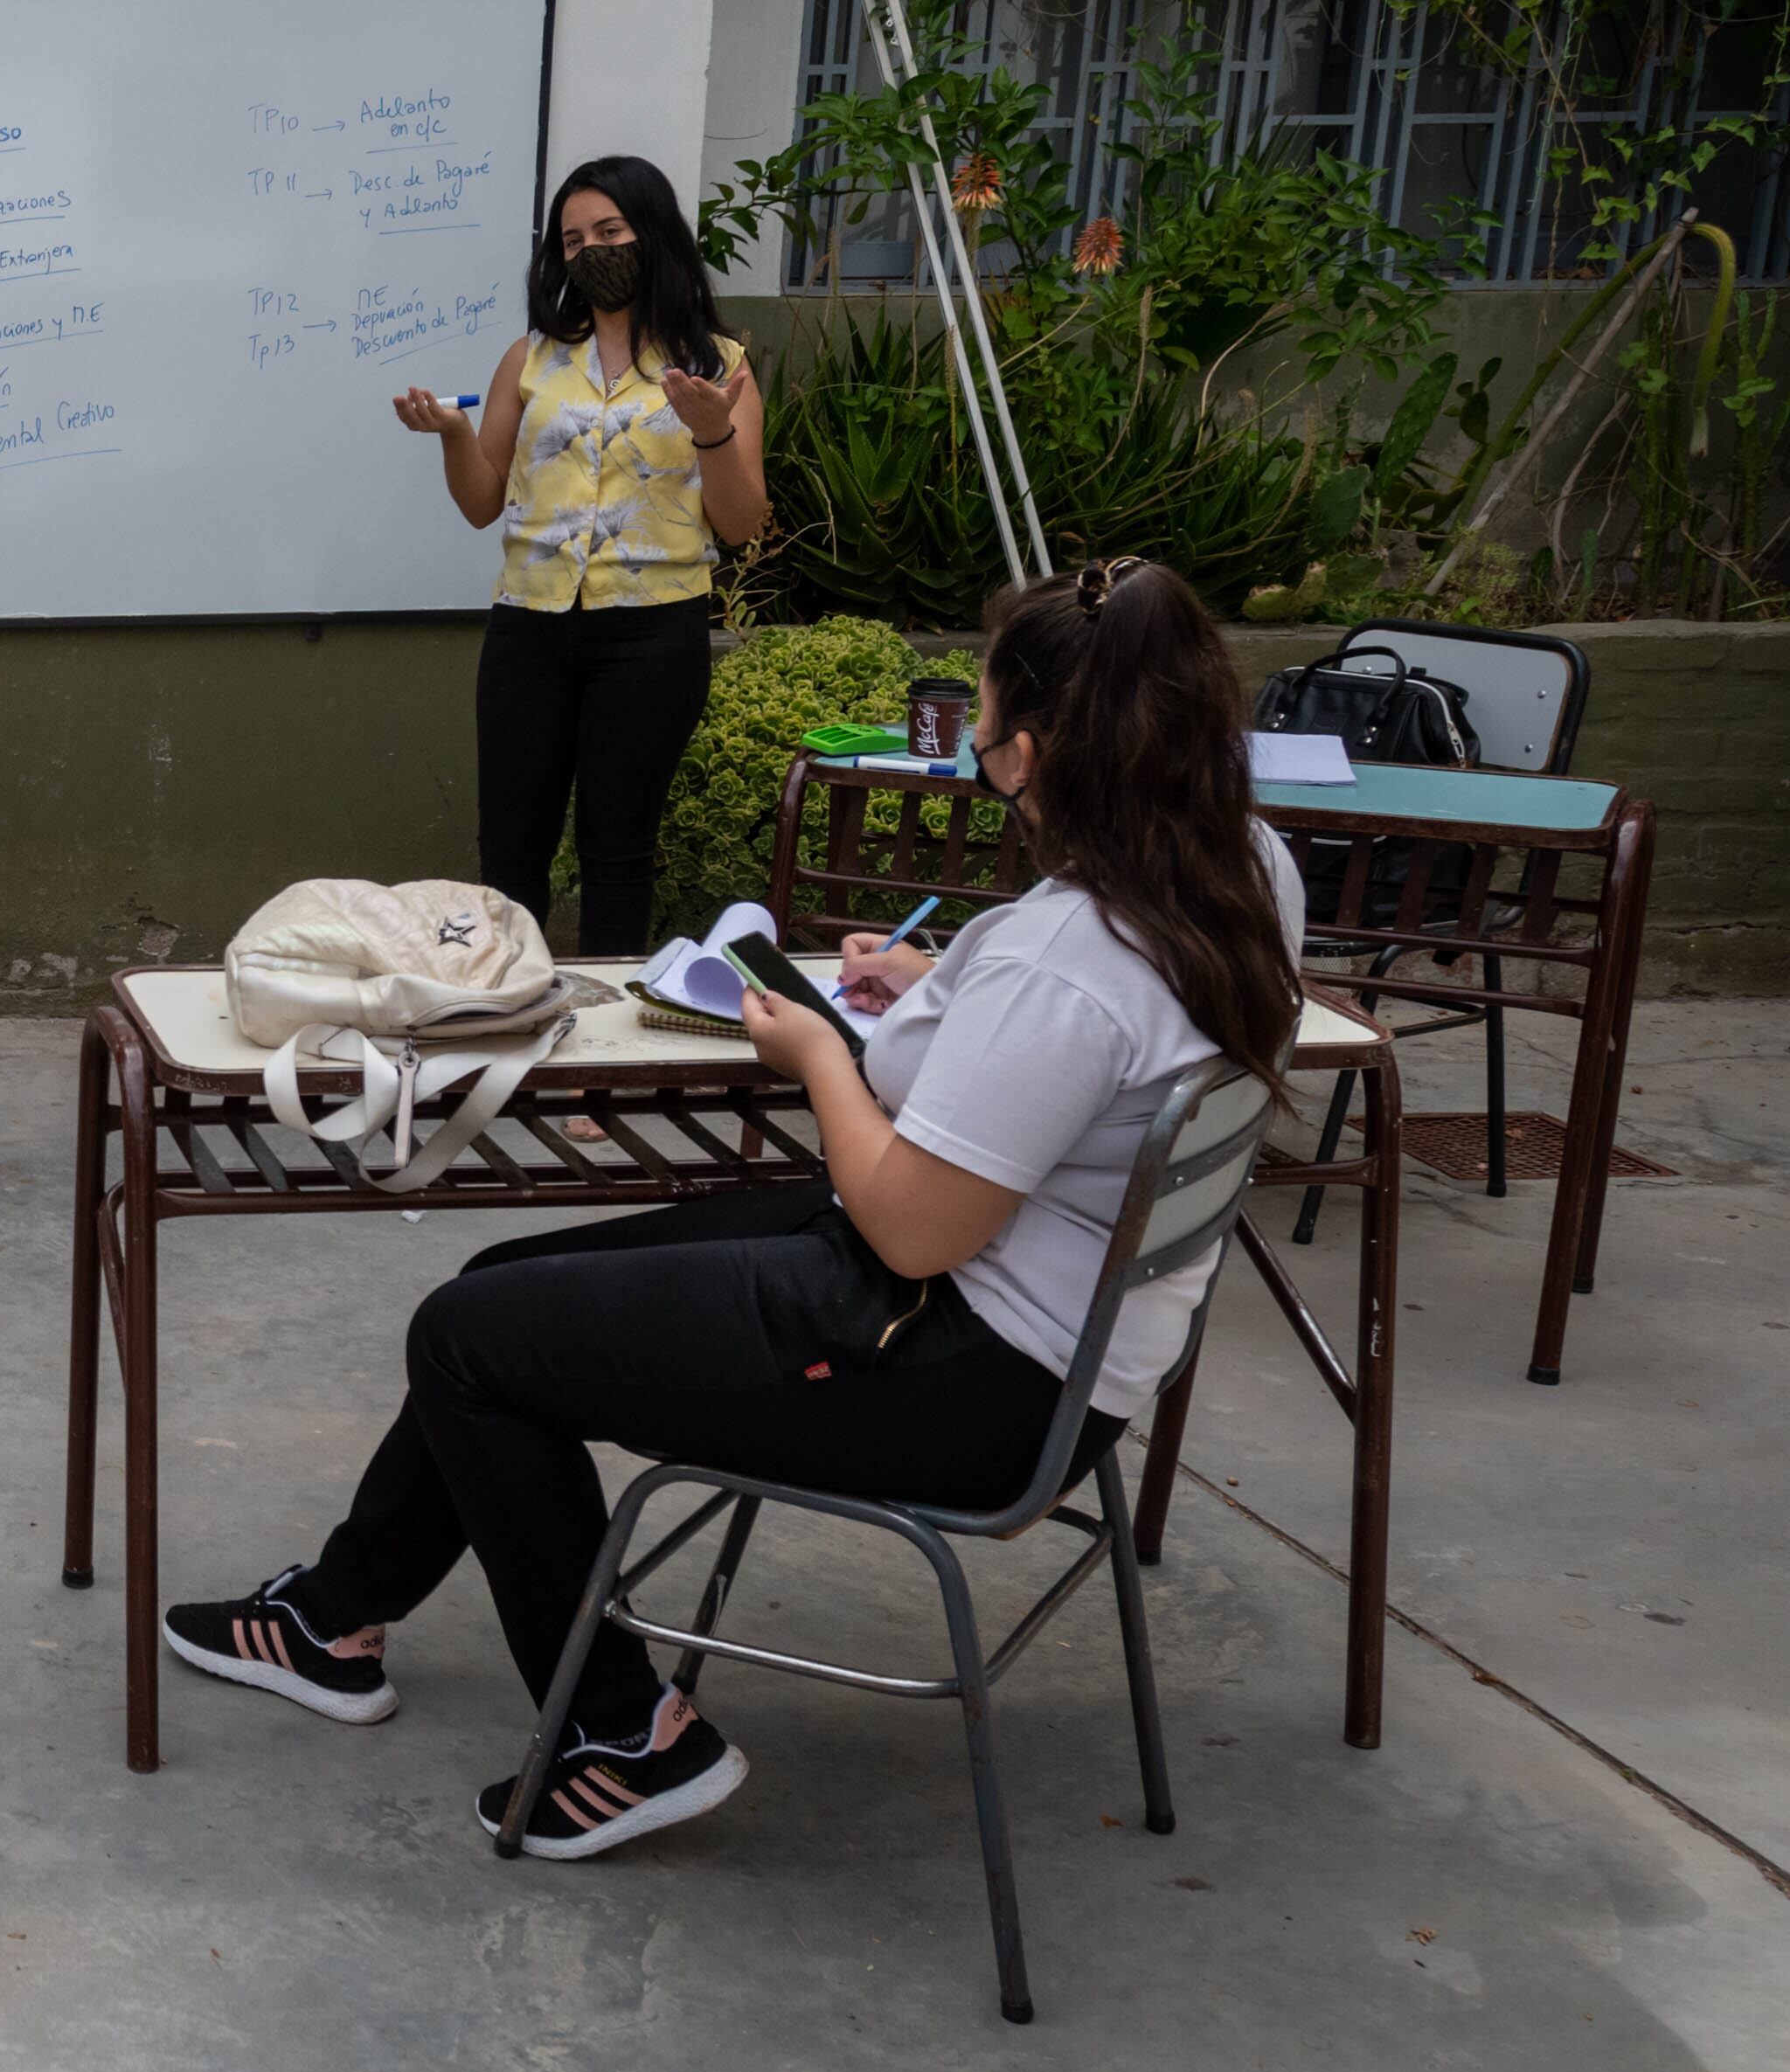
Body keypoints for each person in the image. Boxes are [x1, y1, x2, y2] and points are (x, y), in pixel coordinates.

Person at [162, 558, 1301, 1857]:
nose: (977, 756)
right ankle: (333, 1614)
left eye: (979, 735)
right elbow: (1073, 1049)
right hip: (1045, 1352)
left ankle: (623, 1735)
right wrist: (950, 980)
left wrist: (820, 1059)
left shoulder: (1068, 967)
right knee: (499, 1286)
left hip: (960, 1368)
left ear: (1033, 756)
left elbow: (915, 1228)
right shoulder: (1242, 870)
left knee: (468, 1345)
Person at [392, 156, 767, 958]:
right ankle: (503, 1018)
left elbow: (742, 524)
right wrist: (455, 436)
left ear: (653, 235)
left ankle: (600, 1043)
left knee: (618, 853)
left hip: (651, 639)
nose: (589, 250)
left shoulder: (719, 367)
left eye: (609, 231)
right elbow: (479, 502)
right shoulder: (528, 360)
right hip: (528, 631)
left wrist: (712, 430)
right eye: (571, 239)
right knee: (511, 854)